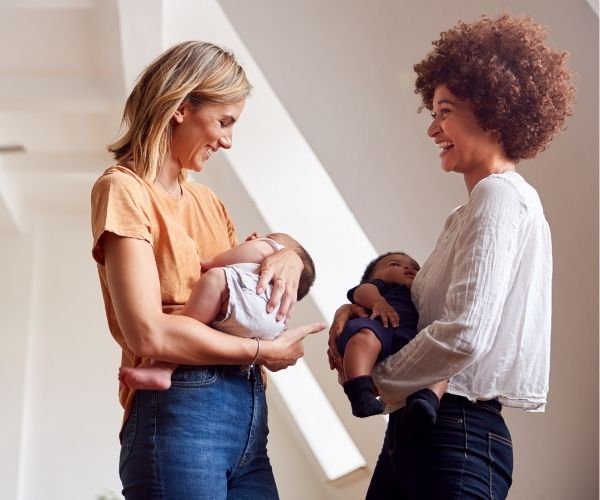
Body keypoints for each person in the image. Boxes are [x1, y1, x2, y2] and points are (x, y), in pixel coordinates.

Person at [328, 13, 574, 499]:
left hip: (457, 434)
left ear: (492, 110)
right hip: (415, 435)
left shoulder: (499, 198)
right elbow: (421, 319)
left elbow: (465, 332)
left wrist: (378, 378)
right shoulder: (467, 212)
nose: (432, 129)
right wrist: (358, 310)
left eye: (444, 111)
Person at [91, 41, 325, 500]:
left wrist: (290, 255)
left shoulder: (208, 202)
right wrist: (263, 350)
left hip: (249, 415)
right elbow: (148, 335)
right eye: (224, 121)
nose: (227, 140)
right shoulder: (123, 189)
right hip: (180, 411)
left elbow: (249, 275)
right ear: (180, 107)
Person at [119, 231, 316, 390]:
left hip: (238, 315)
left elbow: (231, 257)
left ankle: (164, 366)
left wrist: (211, 263)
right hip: (271, 328)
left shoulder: (268, 248)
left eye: (269, 236)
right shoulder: (282, 284)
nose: (256, 236)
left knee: (215, 279)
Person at [338, 251, 446, 423]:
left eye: (416, 268)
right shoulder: (383, 287)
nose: (408, 267)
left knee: (441, 357)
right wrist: (377, 302)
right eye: (395, 264)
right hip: (381, 326)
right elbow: (362, 291)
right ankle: (359, 392)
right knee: (363, 338)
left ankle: (427, 400)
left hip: (411, 337)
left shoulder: (424, 296)